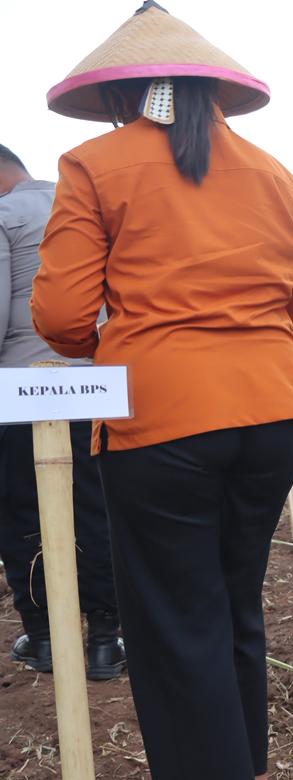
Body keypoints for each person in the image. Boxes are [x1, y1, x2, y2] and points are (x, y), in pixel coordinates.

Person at [31, 5, 293, 780]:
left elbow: (62, 313)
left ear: (120, 92)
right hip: (272, 409)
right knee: (232, 596)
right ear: (214, 93)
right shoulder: (276, 174)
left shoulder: (95, 163)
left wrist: (131, 339)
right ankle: (250, 777)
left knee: (174, 615)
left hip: (163, 418)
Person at [1, 144, 125, 680]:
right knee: (98, 509)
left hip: (19, 390)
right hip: (95, 386)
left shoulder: (4, 216)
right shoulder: (86, 206)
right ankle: (105, 640)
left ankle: (47, 637)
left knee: (22, 514)